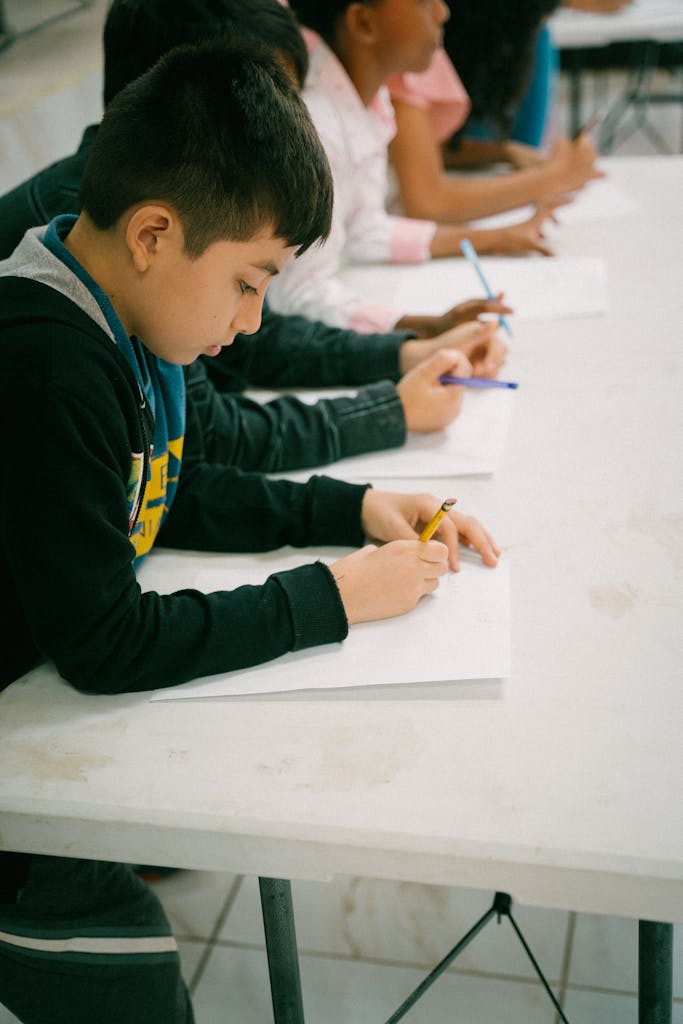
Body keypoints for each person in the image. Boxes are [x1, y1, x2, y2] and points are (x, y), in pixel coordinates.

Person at [0, 41, 500, 1023]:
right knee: (137, 987)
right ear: (153, 234)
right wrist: (332, 597)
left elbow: (170, 489)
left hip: (44, 715)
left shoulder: (123, 317)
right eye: (247, 280)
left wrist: (347, 508)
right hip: (19, 786)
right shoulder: (48, 365)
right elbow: (107, 641)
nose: (250, 320)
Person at [0, 0, 509, 475]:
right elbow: (207, 438)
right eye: (262, 112)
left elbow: (256, 344)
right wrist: (390, 411)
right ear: (183, 97)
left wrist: (406, 347)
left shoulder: (143, 229)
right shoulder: (96, 253)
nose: (287, 138)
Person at [266, 0, 560, 336]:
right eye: (423, 2)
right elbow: (296, 295)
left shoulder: (370, 99)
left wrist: (494, 238)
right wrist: (420, 329)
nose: (443, 12)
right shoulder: (320, 127)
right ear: (363, 23)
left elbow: (364, 228)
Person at [386, 1, 604, 224]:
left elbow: (417, 151)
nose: (442, 11)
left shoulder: (414, 48)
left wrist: (505, 153)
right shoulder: (403, 57)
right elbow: (428, 203)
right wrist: (558, 176)